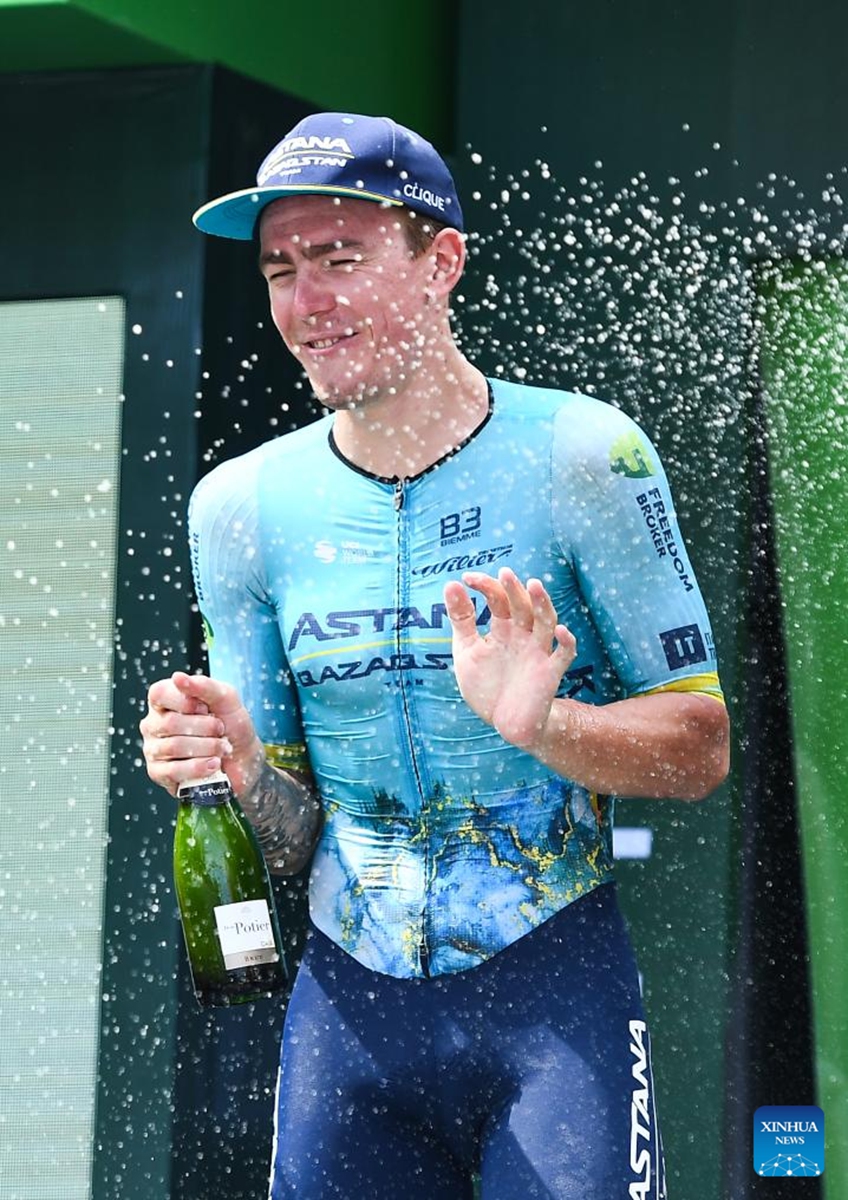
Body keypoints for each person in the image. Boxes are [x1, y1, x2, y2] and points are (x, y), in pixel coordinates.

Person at [140, 111, 729, 1199]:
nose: (303, 305)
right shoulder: (237, 508)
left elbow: (698, 749)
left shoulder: (583, 455)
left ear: (439, 262)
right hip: (346, 1024)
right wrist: (239, 774)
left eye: (338, 260)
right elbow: (289, 837)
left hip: (555, 1002)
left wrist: (540, 725)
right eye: (280, 271)